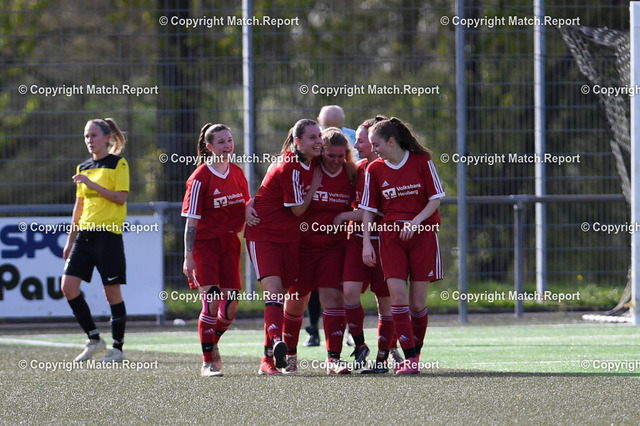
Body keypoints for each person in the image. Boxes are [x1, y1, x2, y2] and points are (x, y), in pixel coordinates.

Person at [360, 117, 444, 375]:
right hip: (390, 238)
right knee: (397, 298)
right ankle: (409, 358)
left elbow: (435, 198)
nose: (373, 149)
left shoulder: (422, 162)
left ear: (391, 142)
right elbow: (368, 210)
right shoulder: (374, 169)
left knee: (417, 304)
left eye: (376, 144)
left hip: (423, 235)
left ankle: (415, 355)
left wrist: (416, 222)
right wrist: (366, 243)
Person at [244, 119, 323, 375]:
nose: (319, 141)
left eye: (319, 136)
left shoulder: (313, 161)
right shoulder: (290, 165)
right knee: (274, 291)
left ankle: (272, 354)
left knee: (286, 294)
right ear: (298, 142)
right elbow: (298, 209)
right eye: (312, 137)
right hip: (264, 235)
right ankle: (274, 348)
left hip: (290, 238)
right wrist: (314, 187)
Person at [281, 127, 357, 375]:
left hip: (333, 248)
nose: (336, 161)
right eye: (330, 155)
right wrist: (251, 204)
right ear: (320, 151)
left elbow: (367, 208)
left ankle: (333, 359)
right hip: (302, 247)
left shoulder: (351, 173)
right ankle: (290, 357)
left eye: (341, 156)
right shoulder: (306, 169)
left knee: (333, 299)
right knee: (296, 302)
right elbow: (275, 189)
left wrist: (345, 217)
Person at [181, 123, 250, 377]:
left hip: (230, 243)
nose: (227, 146)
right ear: (209, 147)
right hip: (204, 245)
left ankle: (212, 342)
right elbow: (191, 222)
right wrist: (188, 257)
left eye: (229, 140)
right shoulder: (199, 178)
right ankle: (207, 362)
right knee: (211, 301)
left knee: (230, 307)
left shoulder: (237, 173)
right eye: (221, 142)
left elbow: (247, 204)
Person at [61, 118, 129, 363]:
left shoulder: (118, 164)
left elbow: (120, 198)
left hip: (108, 236)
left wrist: (91, 184)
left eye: (94, 135)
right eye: (86, 136)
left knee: (111, 293)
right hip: (84, 236)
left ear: (107, 137)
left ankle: (118, 349)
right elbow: (79, 206)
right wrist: (70, 240)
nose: (89, 140)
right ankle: (94, 338)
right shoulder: (83, 167)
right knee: (68, 287)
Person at [335, 116, 398, 374]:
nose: (357, 145)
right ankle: (360, 345)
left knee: (385, 302)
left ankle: (383, 358)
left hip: (383, 242)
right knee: (349, 292)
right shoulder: (358, 169)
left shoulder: (389, 169)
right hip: (357, 239)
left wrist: (342, 216)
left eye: (361, 140)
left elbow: (369, 211)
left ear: (375, 142)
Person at [302, 104, 357, 347]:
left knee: (339, 287)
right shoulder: (309, 154)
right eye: (326, 126)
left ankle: (346, 336)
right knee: (304, 292)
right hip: (308, 238)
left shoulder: (351, 146)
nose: (335, 159)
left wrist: (345, 217)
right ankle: (311, 330)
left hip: (340, 237)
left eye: (338, 126)